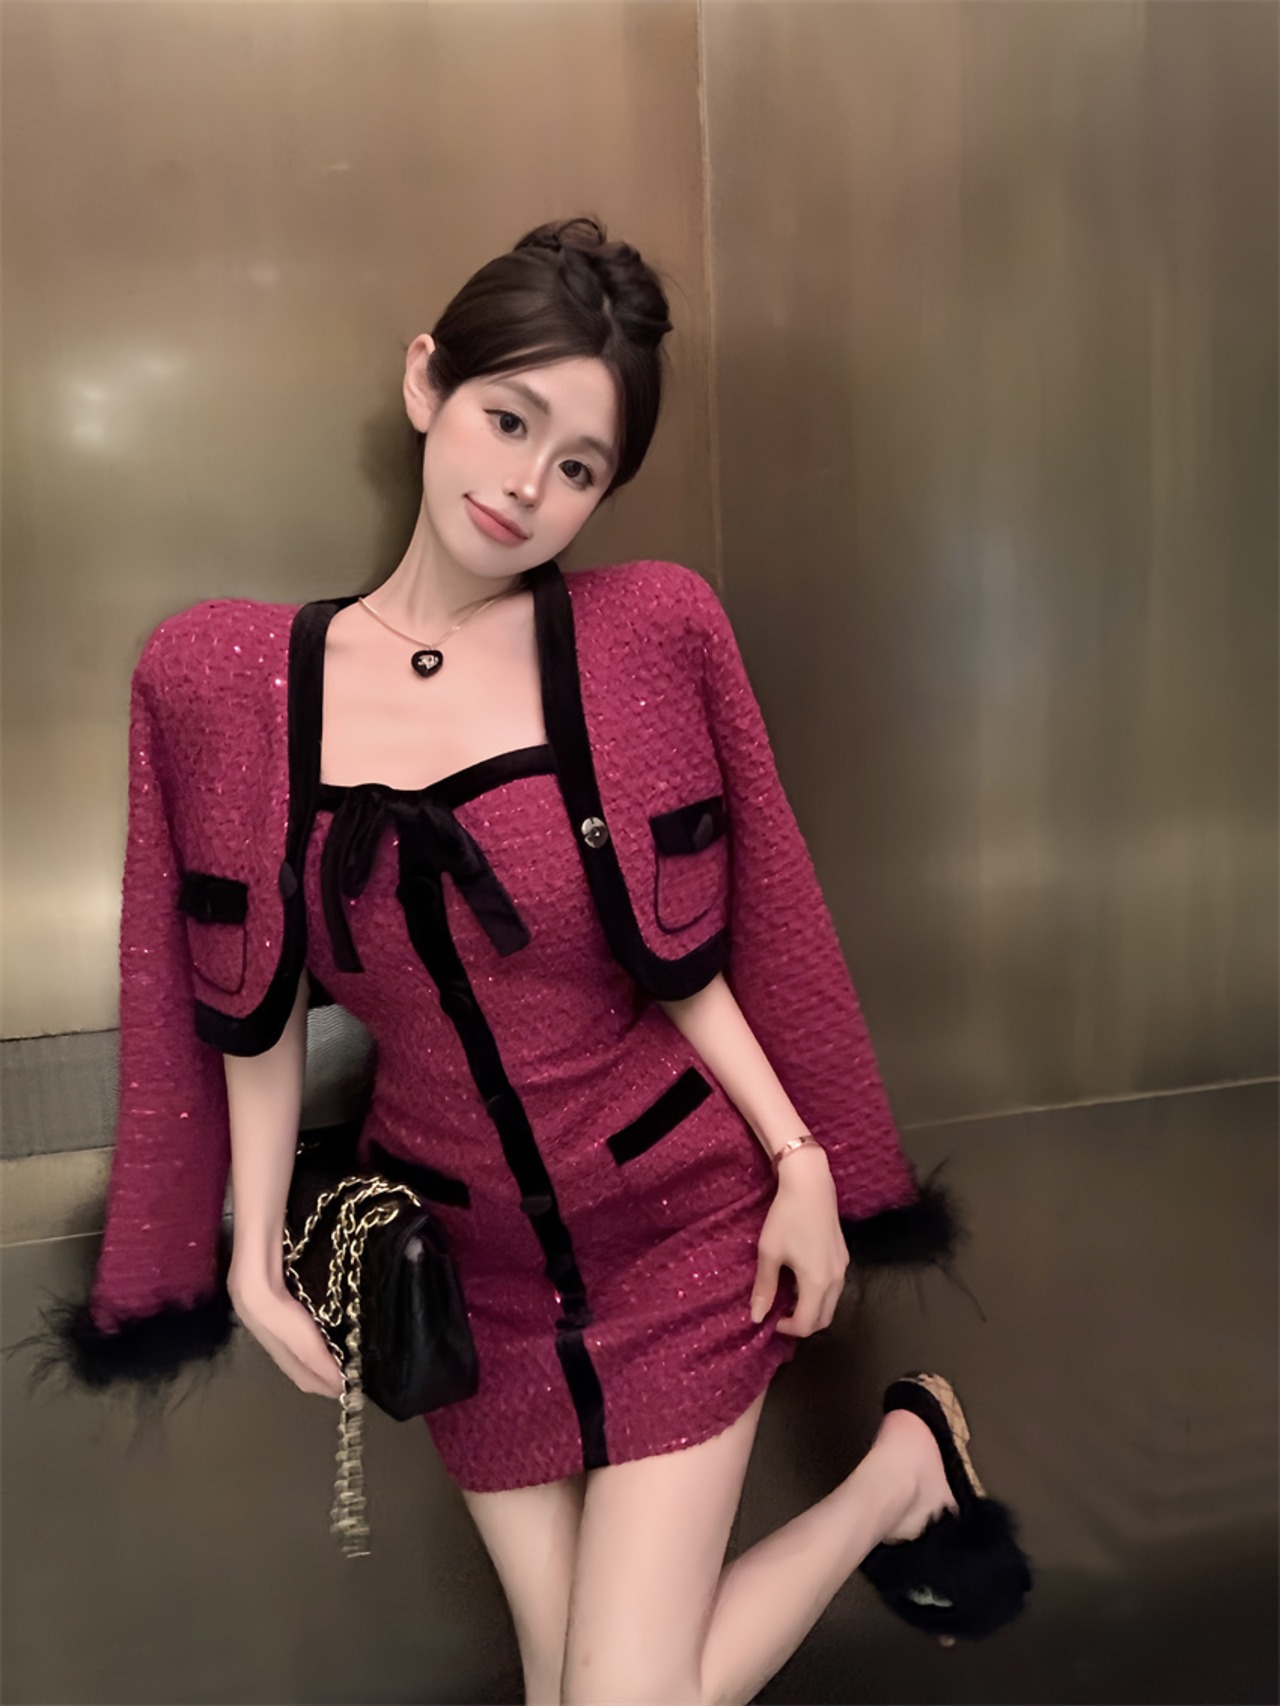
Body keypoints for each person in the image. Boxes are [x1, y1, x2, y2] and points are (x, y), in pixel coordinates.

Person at [23, 216, 1032, 1703]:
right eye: (509, 420)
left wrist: (801, 1157)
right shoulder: (231, 682)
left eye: (578, 466)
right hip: (463, 1272)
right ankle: (901, 1474)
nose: (525, 487)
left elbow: (701, 952)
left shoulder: (637, 639)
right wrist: (248, 1254)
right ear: (426, 382)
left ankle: (895, 1472)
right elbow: (248, 1002)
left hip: (678, 1220)